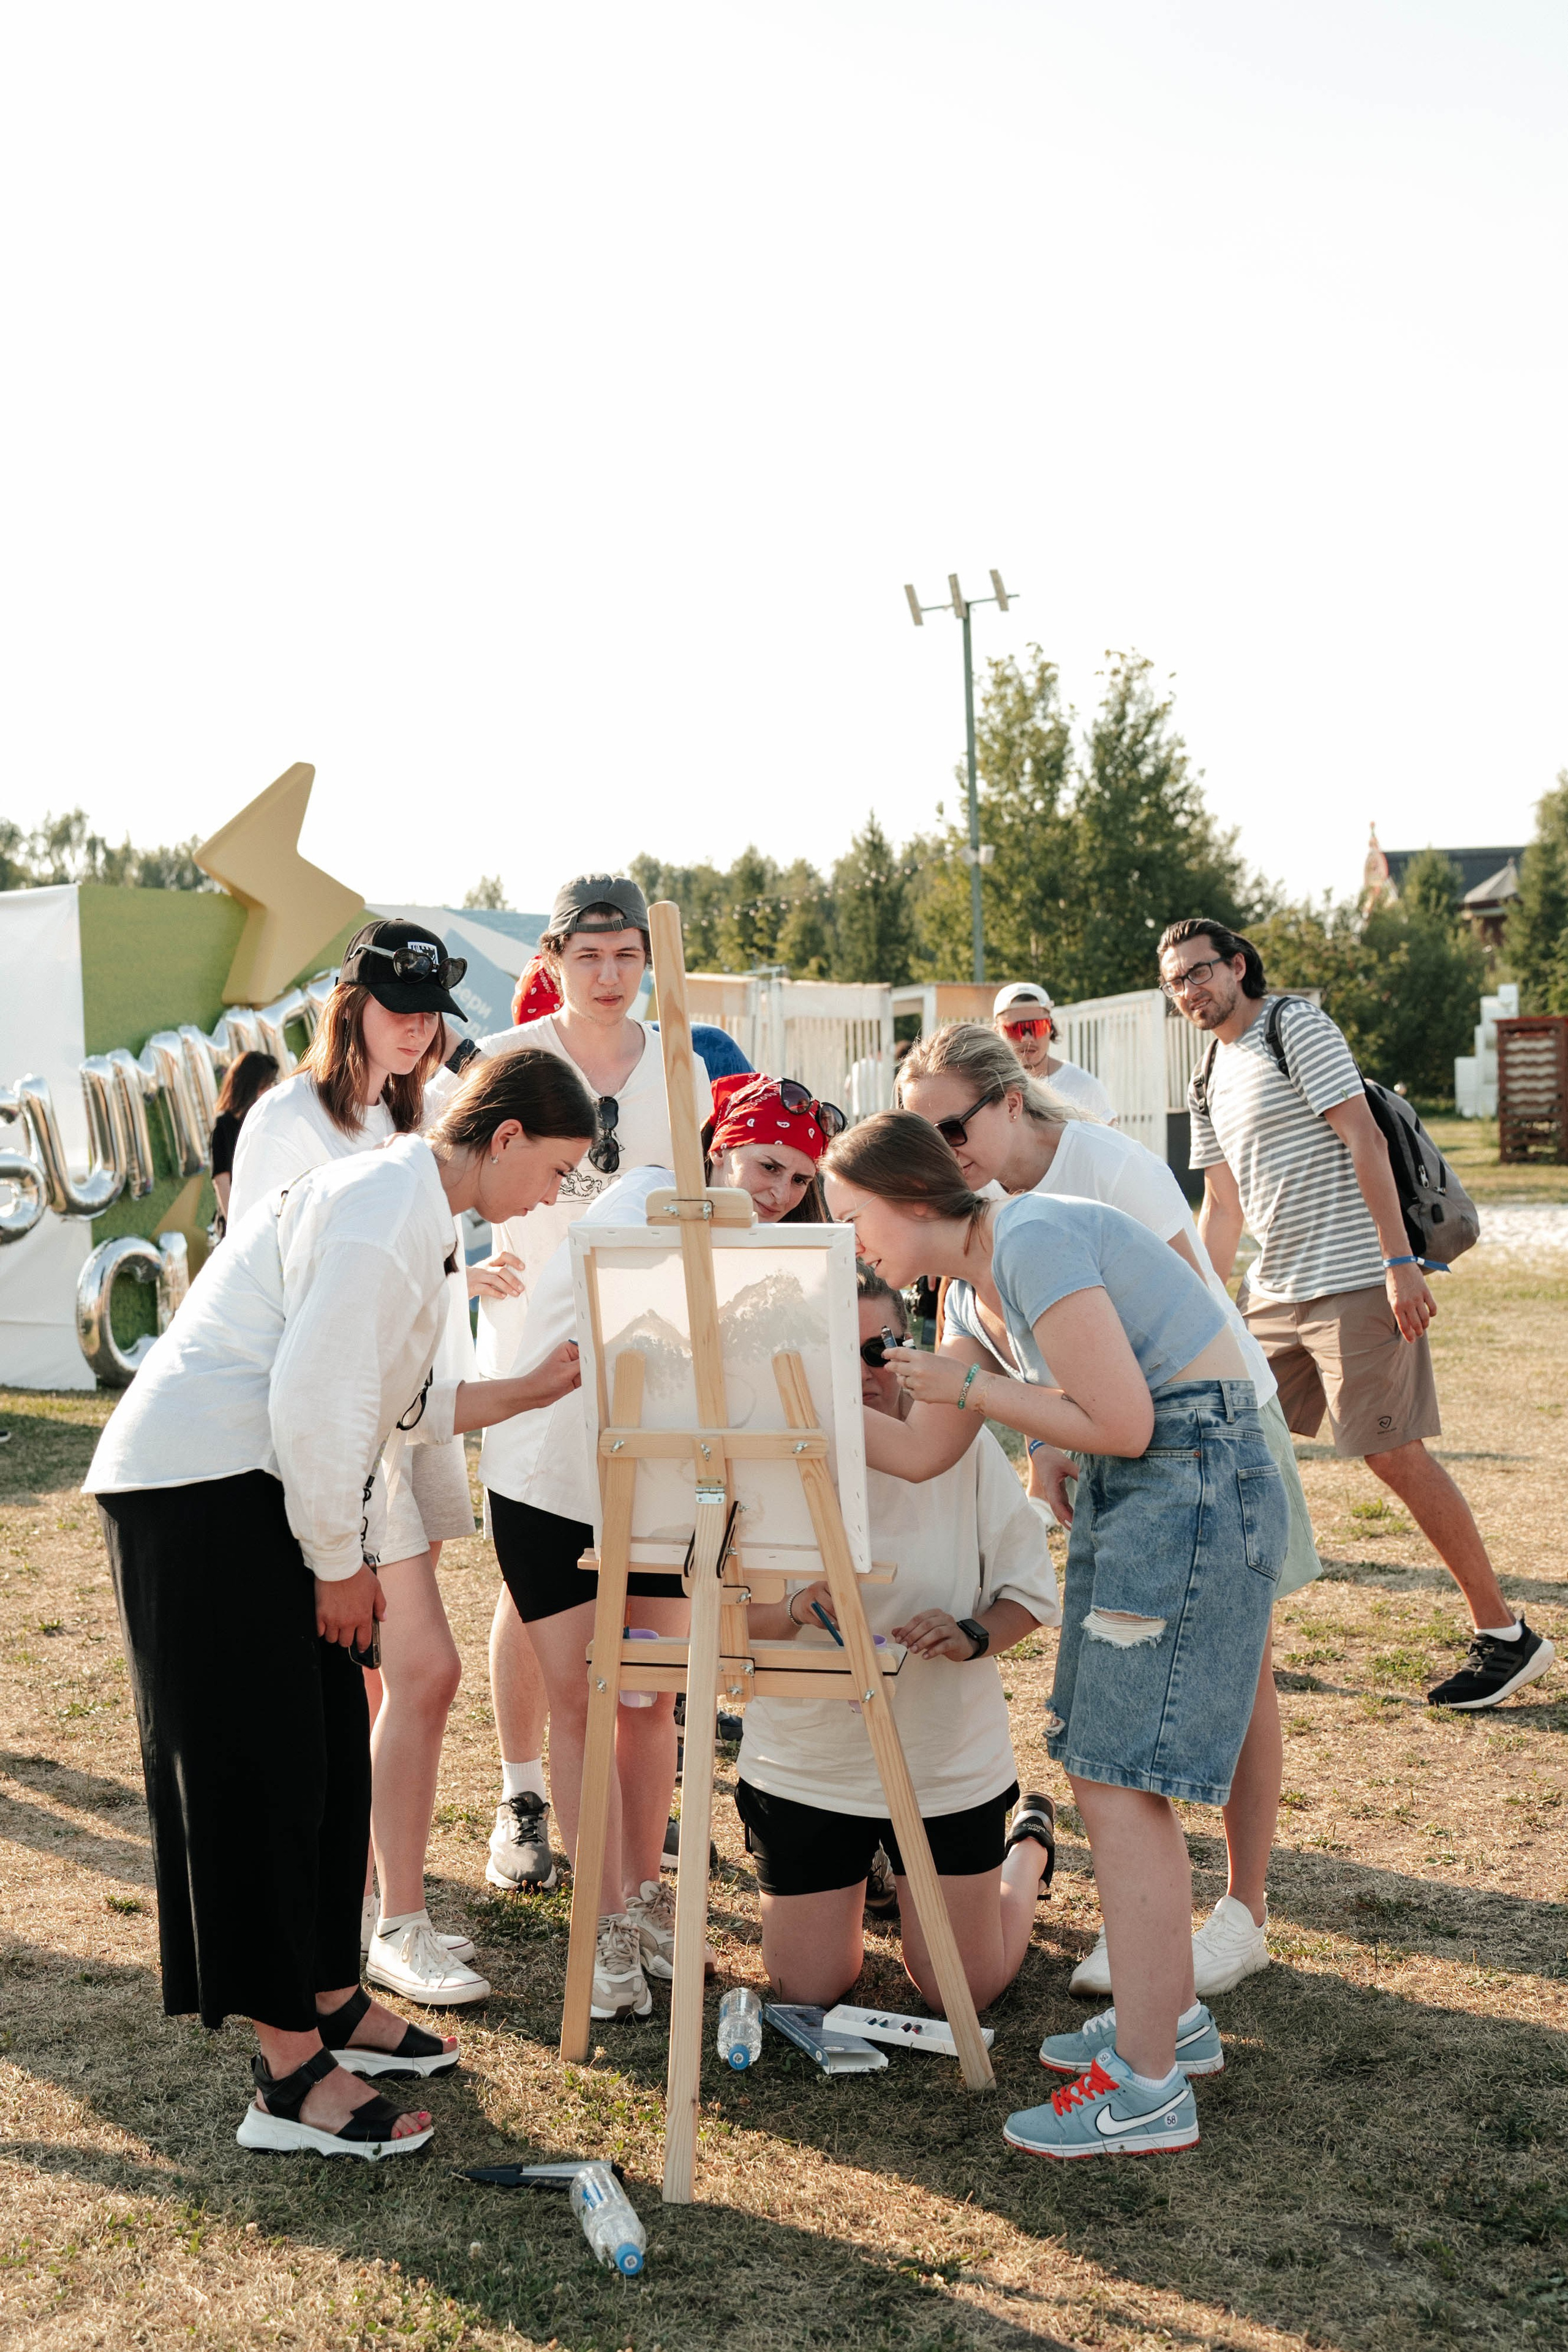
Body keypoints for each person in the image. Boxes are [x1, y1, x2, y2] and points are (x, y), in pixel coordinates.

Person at [85, 1050, 597, 2161]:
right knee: (261, 1771)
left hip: (254, 1486)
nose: (550, 1197)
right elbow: (317, 1398)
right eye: (554, 1170)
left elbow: (398, 1394)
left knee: (323, 1755)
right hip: (200, 1490)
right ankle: (286, 2074)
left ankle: (331, 1996)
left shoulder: (419, 1209)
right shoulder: (382, 1210)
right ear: (504, 1138)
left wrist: (530, 1387)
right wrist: (337, 1560)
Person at [821, 1112, 1286, 2162]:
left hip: (1190, 1483)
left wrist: (980, 1390)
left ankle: (1149, 2084)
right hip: (1154, 1492)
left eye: (854, 1220)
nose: (855, 1246)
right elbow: (930, 1448)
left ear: (906, 1196)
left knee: (1120, 1783)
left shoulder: (1028, 1240)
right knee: (1103, 1774)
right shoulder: (962, 1288)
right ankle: (1169, 2025)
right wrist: (805, 1409)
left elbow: (1124, 1420)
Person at [898, 1019, 1321, 1997]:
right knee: (1141, 1706)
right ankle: (1156, 1935)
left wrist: (1069, 1426)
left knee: (1237, 1667)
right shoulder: (976, 1212)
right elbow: (1042, 1362)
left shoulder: (1103, 1166)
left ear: (1011, 1100)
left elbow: (1185, 1314)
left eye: (951, 1131)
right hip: (1115, 1438)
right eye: (920, 1141)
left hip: (1215, 1430)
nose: (938, 1159)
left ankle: (1240, 1913)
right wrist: (1052, 1435)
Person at [478, 1071, 841, 2022]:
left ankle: (642, 1902)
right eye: (766, 1164)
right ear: (722, 1145)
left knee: (654, 1697)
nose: (777, 1192)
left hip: (660, 1490)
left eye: (799, 1179)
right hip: (554, 1481)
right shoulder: (650, 1196)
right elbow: (634, 1321)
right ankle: (597, 1924)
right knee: (585, 1700)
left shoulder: (754, 1239)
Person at [1159, 917, 1553, 1712]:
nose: (1191, 990)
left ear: (1238, 966)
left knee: (1391, 1454)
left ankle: (1505, 1636)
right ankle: (1230, 1633)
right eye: (1176, 982)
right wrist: (1198, 1304)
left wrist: (1399, 1265)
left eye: (1201, 972)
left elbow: (1364, 1138)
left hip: (1354, 1280)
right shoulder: (1206, 1074)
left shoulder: (1291, 1026)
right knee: (1217, 1428)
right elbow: (1222, 1207)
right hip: (1272, 1293)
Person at [424, 873, 712, 1905]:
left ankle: (637, 1823)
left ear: (649, 960)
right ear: (550, 957)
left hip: (641, 1364)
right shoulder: (510, 1061)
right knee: (536, 1581)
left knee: (638, 1589)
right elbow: (439, 1179)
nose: (607, 974)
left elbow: (696, 1206)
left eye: (626, 955)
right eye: (587, 955)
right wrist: (462, 1269)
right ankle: (523, 1794)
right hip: (531, 1354)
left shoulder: (680, 1062)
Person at [229, 920, 494, 2006]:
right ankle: (394, 1920)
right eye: (399, 1004)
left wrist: (481, 1268)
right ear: (353, 1005)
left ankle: (384, 1913)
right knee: (416, 1673)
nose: (419, 1024)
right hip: (334, 1427)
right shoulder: (288, 1120)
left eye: (431, 1008)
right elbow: (262, 1285)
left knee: (391, 1682)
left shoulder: (428, 1110)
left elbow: (427, 1256)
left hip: (407, 1414)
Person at [734, 1268, 1060, 2015]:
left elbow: (1028, 1595)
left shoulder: (953, 1445)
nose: (860, 1375)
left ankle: (1030, 1844)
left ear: (906, 1346)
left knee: (959, 1991)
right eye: (831, 1357)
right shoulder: (760, 1452)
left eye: (876, 1350)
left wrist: (971, 1634)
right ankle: (873, 1873)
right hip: (809, 1758)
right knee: (805, 1991)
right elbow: (718, 1618)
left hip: (940, 1756)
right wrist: (794, 1604)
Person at [991, 983, 1114, 1122]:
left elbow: (1111, 1141)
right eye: (1014, 1029)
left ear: (1051, 1027)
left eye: (1038, 1026)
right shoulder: (988, 1088)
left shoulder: (1083, 1087)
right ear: (997, 1032)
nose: (1027, 1038)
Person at [209, 1050, 279, 1234]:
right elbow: (222, 1182)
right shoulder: (224, 1126)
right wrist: (238, 1228)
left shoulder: (266, 1121)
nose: (273, 1090)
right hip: (241, 1228)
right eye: (267, 1085)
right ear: (252, 1086)